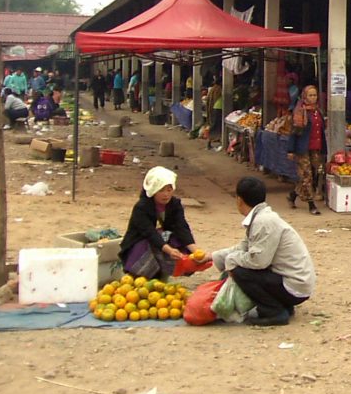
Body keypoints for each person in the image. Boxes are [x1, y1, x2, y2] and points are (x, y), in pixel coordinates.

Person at [211, 176, 316, 326]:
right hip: (293, 281)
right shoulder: (261, 218)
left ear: (239, 200)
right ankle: (283, 306)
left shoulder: (264, 222)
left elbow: (258, 261)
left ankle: (274, 312)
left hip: (294, 285)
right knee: (237, 263)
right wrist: (212, 257)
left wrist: (231, 261)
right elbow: (243, 247)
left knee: (240, 272)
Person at [119, 167, 203, 280]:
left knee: (176, 241)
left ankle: (163, 274)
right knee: (149, 246)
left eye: (169, 190)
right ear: (153, 190)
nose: (166, 194)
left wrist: (196, 251)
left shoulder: (175, 205)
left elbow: (181, 228)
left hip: (162, 239)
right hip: (141, 241)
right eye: (161, 190)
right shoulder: (141, 207)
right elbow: (149, 233)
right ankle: (141, 275)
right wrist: (169, 250)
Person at [287, 84, 326, 215]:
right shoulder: (299, 112)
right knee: (306, 176)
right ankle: (311, 204)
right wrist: (290, 150)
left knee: (315, 174)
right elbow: (293, 132)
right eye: (310, 95)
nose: (313, 98)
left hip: (316, 148)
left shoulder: (318, 111)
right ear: (305, 96)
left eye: (315, 95)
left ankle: (293, 195)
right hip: (302, 148)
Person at [206, 77, 223, 147]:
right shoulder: (219, 89)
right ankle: (209, 141)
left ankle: (211, 141)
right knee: (216, 126)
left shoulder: (213, 88)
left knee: (214, 125)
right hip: (219, 108)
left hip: (215, 108)